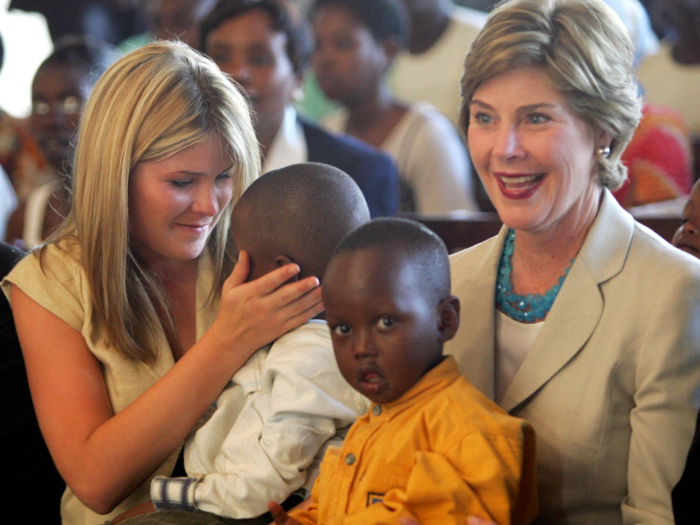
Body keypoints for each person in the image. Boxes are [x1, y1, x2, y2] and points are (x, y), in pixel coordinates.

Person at [1, 41, 324, 525]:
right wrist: (228, 342)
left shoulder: (258, 251)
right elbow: (93, 480)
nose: (209, 205)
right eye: (181, 182)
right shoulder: (50, 282)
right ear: (115, 173)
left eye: (224, 176)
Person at [444, 0, 700, 522]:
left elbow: (654, 516)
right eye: (484, 118)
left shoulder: (674, 291)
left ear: (602, 129)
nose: (504, 148)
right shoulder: (443, 278)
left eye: (536, 118)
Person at [115, 163, 371, 524]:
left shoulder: (312, 360)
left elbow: (261, 487)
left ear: (284, 270)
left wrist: (168, 498)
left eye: (238, 254)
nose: (231, 264)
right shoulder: (292, 342)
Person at [269, 218, 538, 525]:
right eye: (343, 328)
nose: (360, 348)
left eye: (386, 322)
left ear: (444, 321)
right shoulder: (373, 422)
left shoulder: (469, 435)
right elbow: (339, 508)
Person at [200, 0, 399, 218]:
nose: (238, 73)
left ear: (299, 77)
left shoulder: (359, 172)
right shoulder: (178, 159)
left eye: (260, 59)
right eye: (221, 57)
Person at [312, 0, 477, 213]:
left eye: (342, 44)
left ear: (388, 51)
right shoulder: (328, 129)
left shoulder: (427, 136)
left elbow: (456, 237)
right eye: (317, 45)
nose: (324, 59)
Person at [6, 36, 117, 249]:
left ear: (110, 110)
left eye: (70, 103)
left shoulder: (133, 213)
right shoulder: (24, 216)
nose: (51, 120)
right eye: (39, 105)